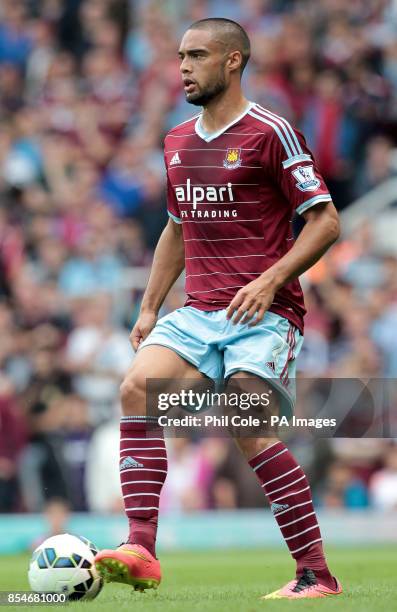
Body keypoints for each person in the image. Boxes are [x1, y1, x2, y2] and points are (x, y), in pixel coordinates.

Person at [94, 18, 342, 600]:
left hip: (265, 312)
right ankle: (142, 548)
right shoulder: (177, 141)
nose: (183, 66)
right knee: (136, 390)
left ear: (233, 62)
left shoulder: (270, 132)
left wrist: (272, 277)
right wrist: (150, 306)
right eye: (181, 56)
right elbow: (177, 228)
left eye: (197, 55)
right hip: (198, 311)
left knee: (245, 422)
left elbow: (326, 221)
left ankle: (315, 573)